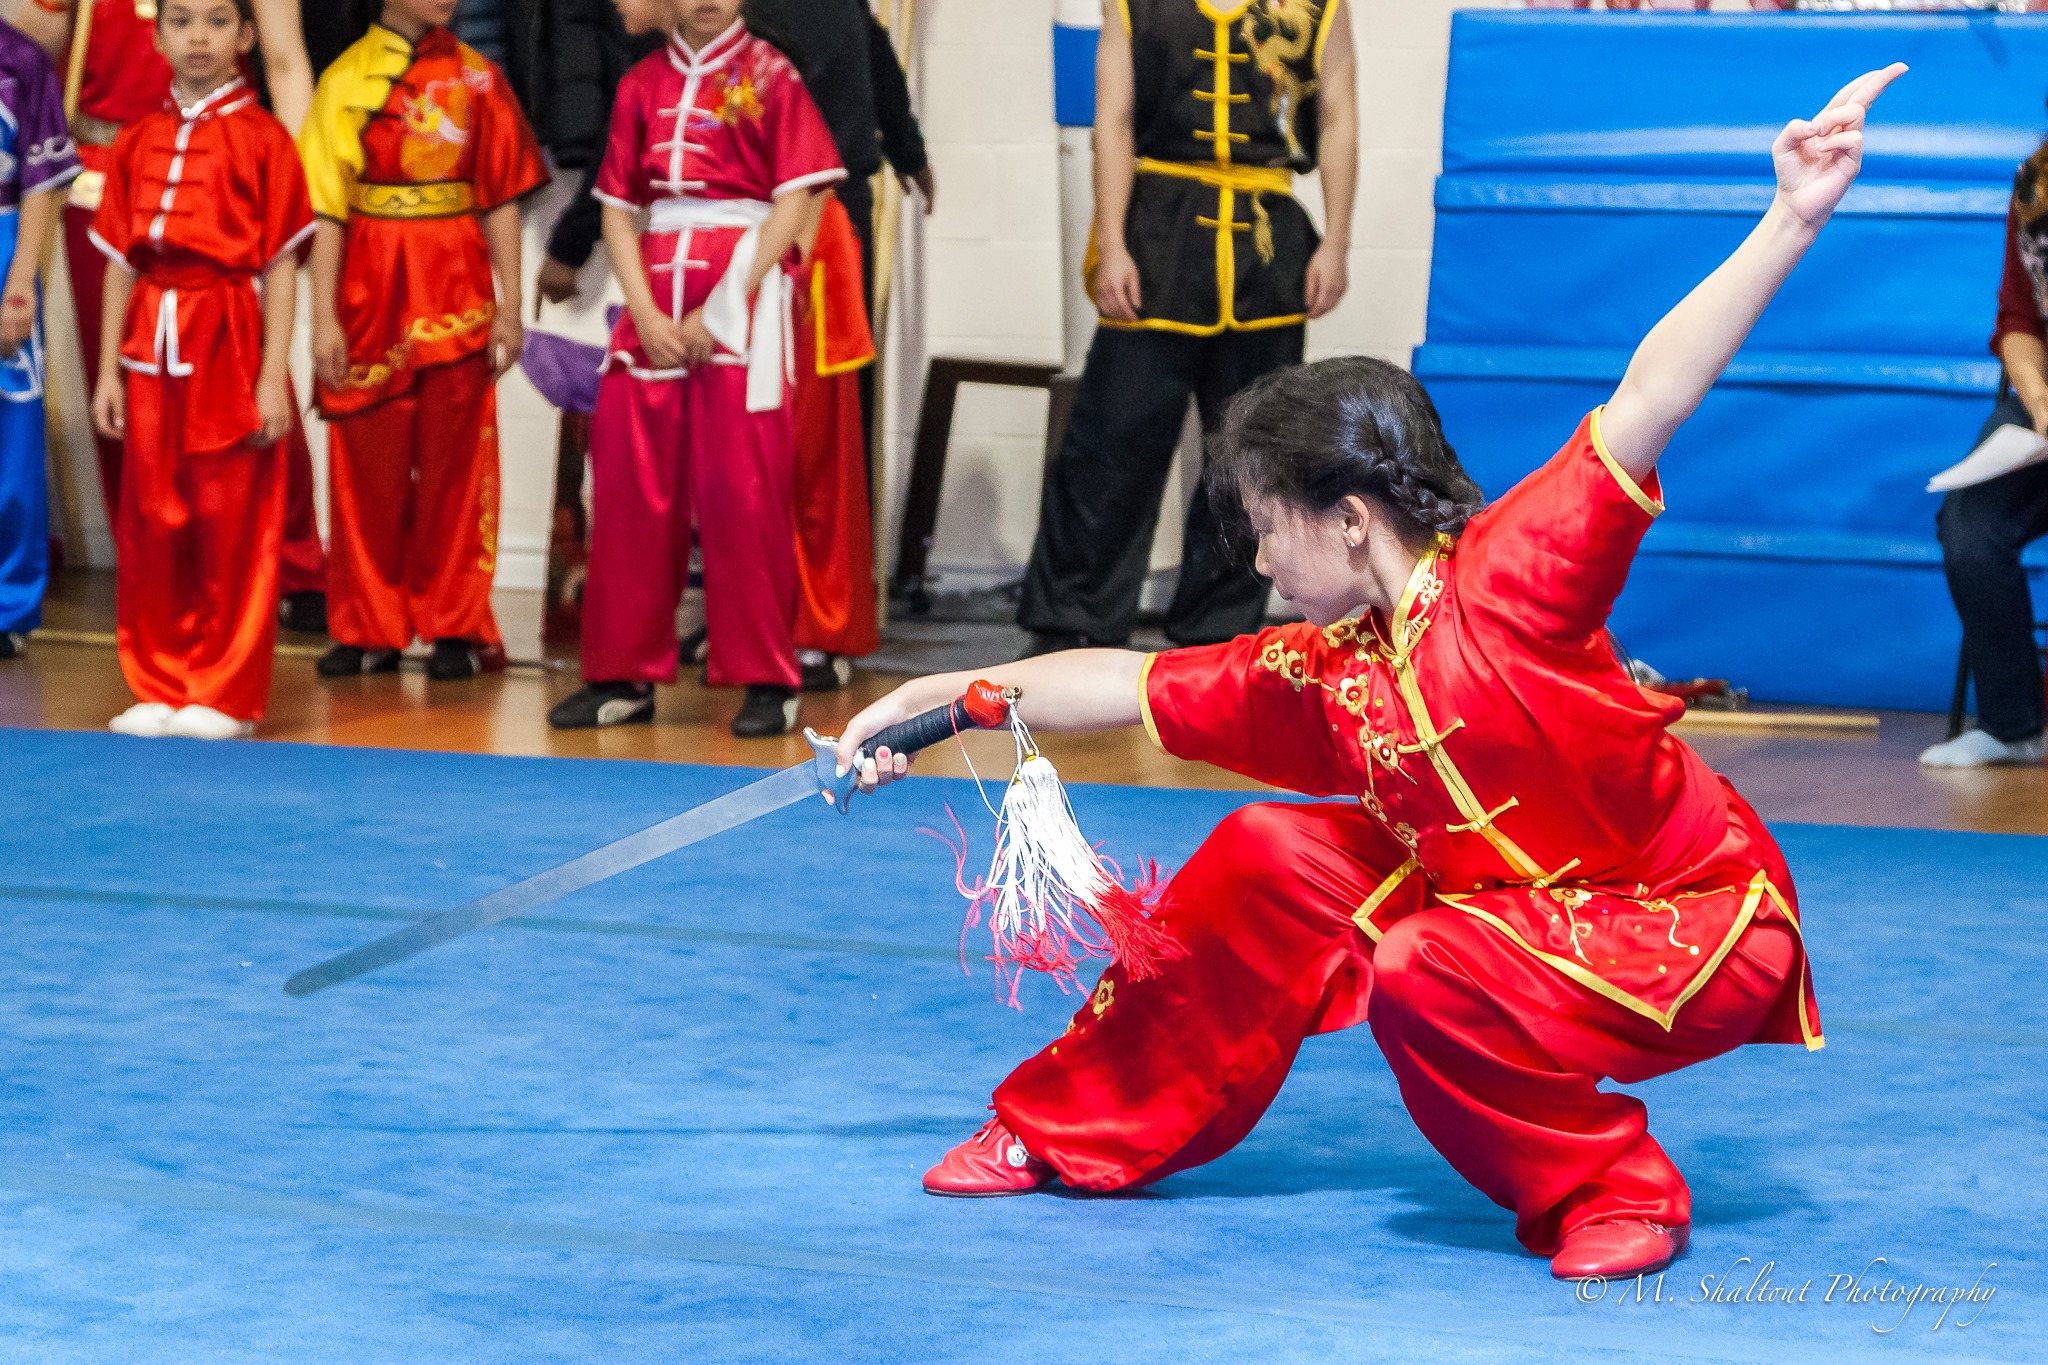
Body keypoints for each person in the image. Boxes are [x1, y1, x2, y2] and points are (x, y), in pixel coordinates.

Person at [837, 64, 1904, 1281]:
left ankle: (1608, 1188)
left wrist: (1790, 217)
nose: (1254, 557)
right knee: (1263, 853)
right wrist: (937, 701)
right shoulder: (1324, 670)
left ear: (1346, 519)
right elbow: (1126, 687)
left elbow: (1650, 392)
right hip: (1496, 916)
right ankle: (1068, 1128)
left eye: (1262, 525)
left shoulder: (1519, 573)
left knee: (1421, 967)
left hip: (1684, 925)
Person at [1017, 0, 1358, 657]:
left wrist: (1336, 240)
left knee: (1254, 454)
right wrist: (1112, 239)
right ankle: (1074, 617)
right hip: (1156, 241)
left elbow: (1340, 116)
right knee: (1110, 441)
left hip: (1266, 255)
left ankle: (1219, 626)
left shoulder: (1319, 7)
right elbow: (1111, 121)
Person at [544, 0, 843, 739]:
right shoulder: (641, 82)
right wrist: (643, 314)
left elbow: (792, 202)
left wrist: (724, 305)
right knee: (630, 491)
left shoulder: (774, 75)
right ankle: (620, 675)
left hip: (739, 297)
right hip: (654, 296)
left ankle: (769, 678)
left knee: (744, 494)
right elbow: (617, 210)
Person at [15, 0, 329, 632]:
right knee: (132, 389)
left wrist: (303, 187)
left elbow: (286, 57)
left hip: (226, 161)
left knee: (254, 385)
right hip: (112, 163)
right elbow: (46, 36)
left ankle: (293, 564)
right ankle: (156, 566)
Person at [299, 0, 546, 682]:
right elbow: (324, 208)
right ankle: (365, 626)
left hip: (456, 287)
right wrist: (321, 316)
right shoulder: (343, 81)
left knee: (457, 472)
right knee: (363, 471)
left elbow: (500, 196)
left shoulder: (478, 79)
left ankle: (454, 625)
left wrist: (511, 305)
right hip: (368, 290)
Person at [88, 0, 313, 739]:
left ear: (246, 36)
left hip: (229, 334)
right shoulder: (138, 139)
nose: (197, 38)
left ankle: (224, 687)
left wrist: (273, 372)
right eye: (181, 21)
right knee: (154, 513)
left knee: (231, 514)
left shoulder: (264, 139)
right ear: (155, 34)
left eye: (217, 22)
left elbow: (281, 264)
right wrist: (108, 373)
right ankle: (157, 678)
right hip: (149, 341)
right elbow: (121, 262)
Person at [1920, 115, 2048, 768]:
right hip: (2043, 420)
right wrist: (2039, 398)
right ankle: (2014, 725)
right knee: (1969, 526)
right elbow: (2019, 320)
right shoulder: (2034, 187)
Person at [0, 14, 81, 664]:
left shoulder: (21, 58)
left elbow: (41, 184)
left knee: (14, 439)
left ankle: (8, 604)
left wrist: (22, 281)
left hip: (5, 252)